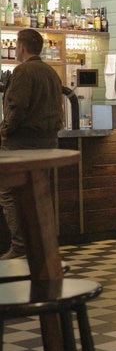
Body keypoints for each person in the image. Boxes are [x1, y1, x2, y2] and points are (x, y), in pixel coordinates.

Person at [0, 29, 65, 260]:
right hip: (48, 141)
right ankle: (41, 246)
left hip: (23, 143)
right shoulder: (50, 72)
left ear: (21, 47)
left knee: (8, 192)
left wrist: (5, 130)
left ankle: (20, 246)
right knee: (38, 193)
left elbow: (16, 107)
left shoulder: (23, 71)